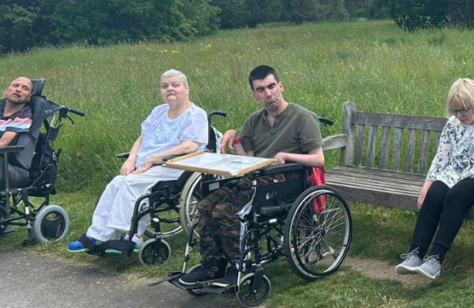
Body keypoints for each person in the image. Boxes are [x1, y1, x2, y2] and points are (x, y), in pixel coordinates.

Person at [178, 65, 324, 286]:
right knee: (205, 205)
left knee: (225, 210)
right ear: (254, 95)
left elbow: (318, 159)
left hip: (284, 182)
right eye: (261, 90)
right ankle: (213, 265)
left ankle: (240, 266)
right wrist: (234, 138)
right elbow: (247, 159)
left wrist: (288, 155)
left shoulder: (302, 117)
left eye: (271, 86)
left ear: (280, 86)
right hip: (254, 179)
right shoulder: (254, 120)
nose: (268, 93)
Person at [395, 78, 474, 280]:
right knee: (436, 193)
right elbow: (441, 159)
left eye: (464, 110)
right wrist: (425, 188)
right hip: (457, 174)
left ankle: (436, 259)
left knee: (455, 196)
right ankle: (415, 254)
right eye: (455, 111)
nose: (459, 116)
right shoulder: (452, 125)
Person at [68, 70, 207, 254]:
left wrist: (154, 158)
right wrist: (131, 158)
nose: (170, 89)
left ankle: (132, 236)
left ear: (186, 89)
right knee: (117, 182)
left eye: (175, 85)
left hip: (174, 166)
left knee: (131, 183)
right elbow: (142, 138)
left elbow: (189, 146)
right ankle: (98, 235)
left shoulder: (195, 114)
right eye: (165, 86)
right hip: (147, 166)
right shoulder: (158, 111)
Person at [0, 76, 35, 188]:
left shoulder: (24, 116)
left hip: (6, 164)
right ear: (6, 91)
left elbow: (3, 144)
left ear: (29, 97)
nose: (18, 89)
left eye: (25, 88)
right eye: (15, 85)